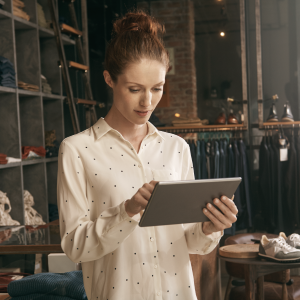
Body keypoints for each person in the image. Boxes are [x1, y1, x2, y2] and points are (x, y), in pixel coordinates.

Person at [57, 10, 238, 300]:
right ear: (109, 79)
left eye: (157, 88)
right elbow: (75, 246)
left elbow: (190, 241)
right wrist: (126, 211)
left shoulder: (176, 148)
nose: (148, 101)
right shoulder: (77, 149)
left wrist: (210, 225)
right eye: (134, 89)